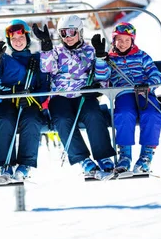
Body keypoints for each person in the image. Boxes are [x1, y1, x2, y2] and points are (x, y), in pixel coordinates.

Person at [33, 15, 116, 177]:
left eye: (71, 32)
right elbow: (47, 67)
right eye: (63, 33)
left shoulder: (90, 50)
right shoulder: (56, 52)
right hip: (60, 96)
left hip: (84, 94)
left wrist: (100, 57)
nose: (68, 37)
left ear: (80, 32)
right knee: (62, 119)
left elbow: (103, 76)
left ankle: (104, 156)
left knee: (93, 114)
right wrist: (46, 45)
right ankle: (82, 159)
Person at [0, 20, 50, 184]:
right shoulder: (4, 60)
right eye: (13, 39)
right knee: (4, 120)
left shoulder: (36, 59)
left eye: (21, 37)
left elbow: (44, 83)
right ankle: (5, 166)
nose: (18, 41)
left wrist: (37, 99)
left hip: (29, 100)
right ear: (9, 42)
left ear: (27, 39)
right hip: (7, 99)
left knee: (31, 119)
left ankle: (24, 165)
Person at [94, 22, 161, 173]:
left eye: (127, 40)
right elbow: (102, 78)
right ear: (114, 41)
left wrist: (149, 85)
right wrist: (100, 60)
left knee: (152, 114)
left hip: (144, 92)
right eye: (119, 40)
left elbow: (155, 74)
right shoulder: (110, 59)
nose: (123, 44)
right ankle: (125, 155)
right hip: (123, 92)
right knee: (124, 114)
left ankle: (146, 154)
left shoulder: (142, 56)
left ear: (132, 41)